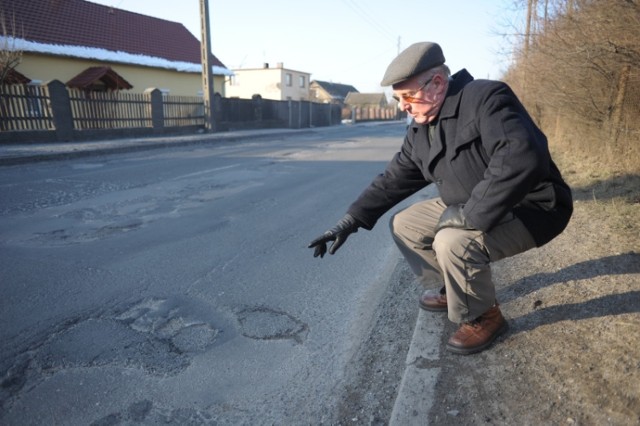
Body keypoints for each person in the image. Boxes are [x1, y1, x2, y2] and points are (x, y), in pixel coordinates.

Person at [308, 42, 573, 355]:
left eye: (408, 96)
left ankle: (483, 315)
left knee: (452, 241)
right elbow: (393, 179)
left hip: (533, 205)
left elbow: (522, 154)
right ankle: (455, 289)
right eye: (398, 99)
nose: (403, 105)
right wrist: (351, 220)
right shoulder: (421, 130)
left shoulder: (485, 97)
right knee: (405, 224)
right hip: (473, 201)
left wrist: (470, 216)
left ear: (436, 83)